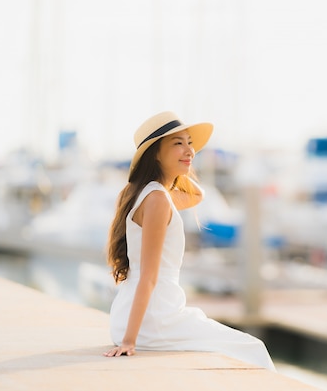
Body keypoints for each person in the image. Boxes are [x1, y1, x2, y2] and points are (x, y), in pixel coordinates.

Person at [103, 111, 276, 371]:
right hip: (156, 318)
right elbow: (149, 277)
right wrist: (129, 341)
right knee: (253, 349)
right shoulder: (158, 200)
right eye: (177, 143)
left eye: (190, 143)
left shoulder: (137, 193)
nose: (189, 151)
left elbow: (198, 194)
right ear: (155, 154)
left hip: (131, 316)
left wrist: (176, 169)